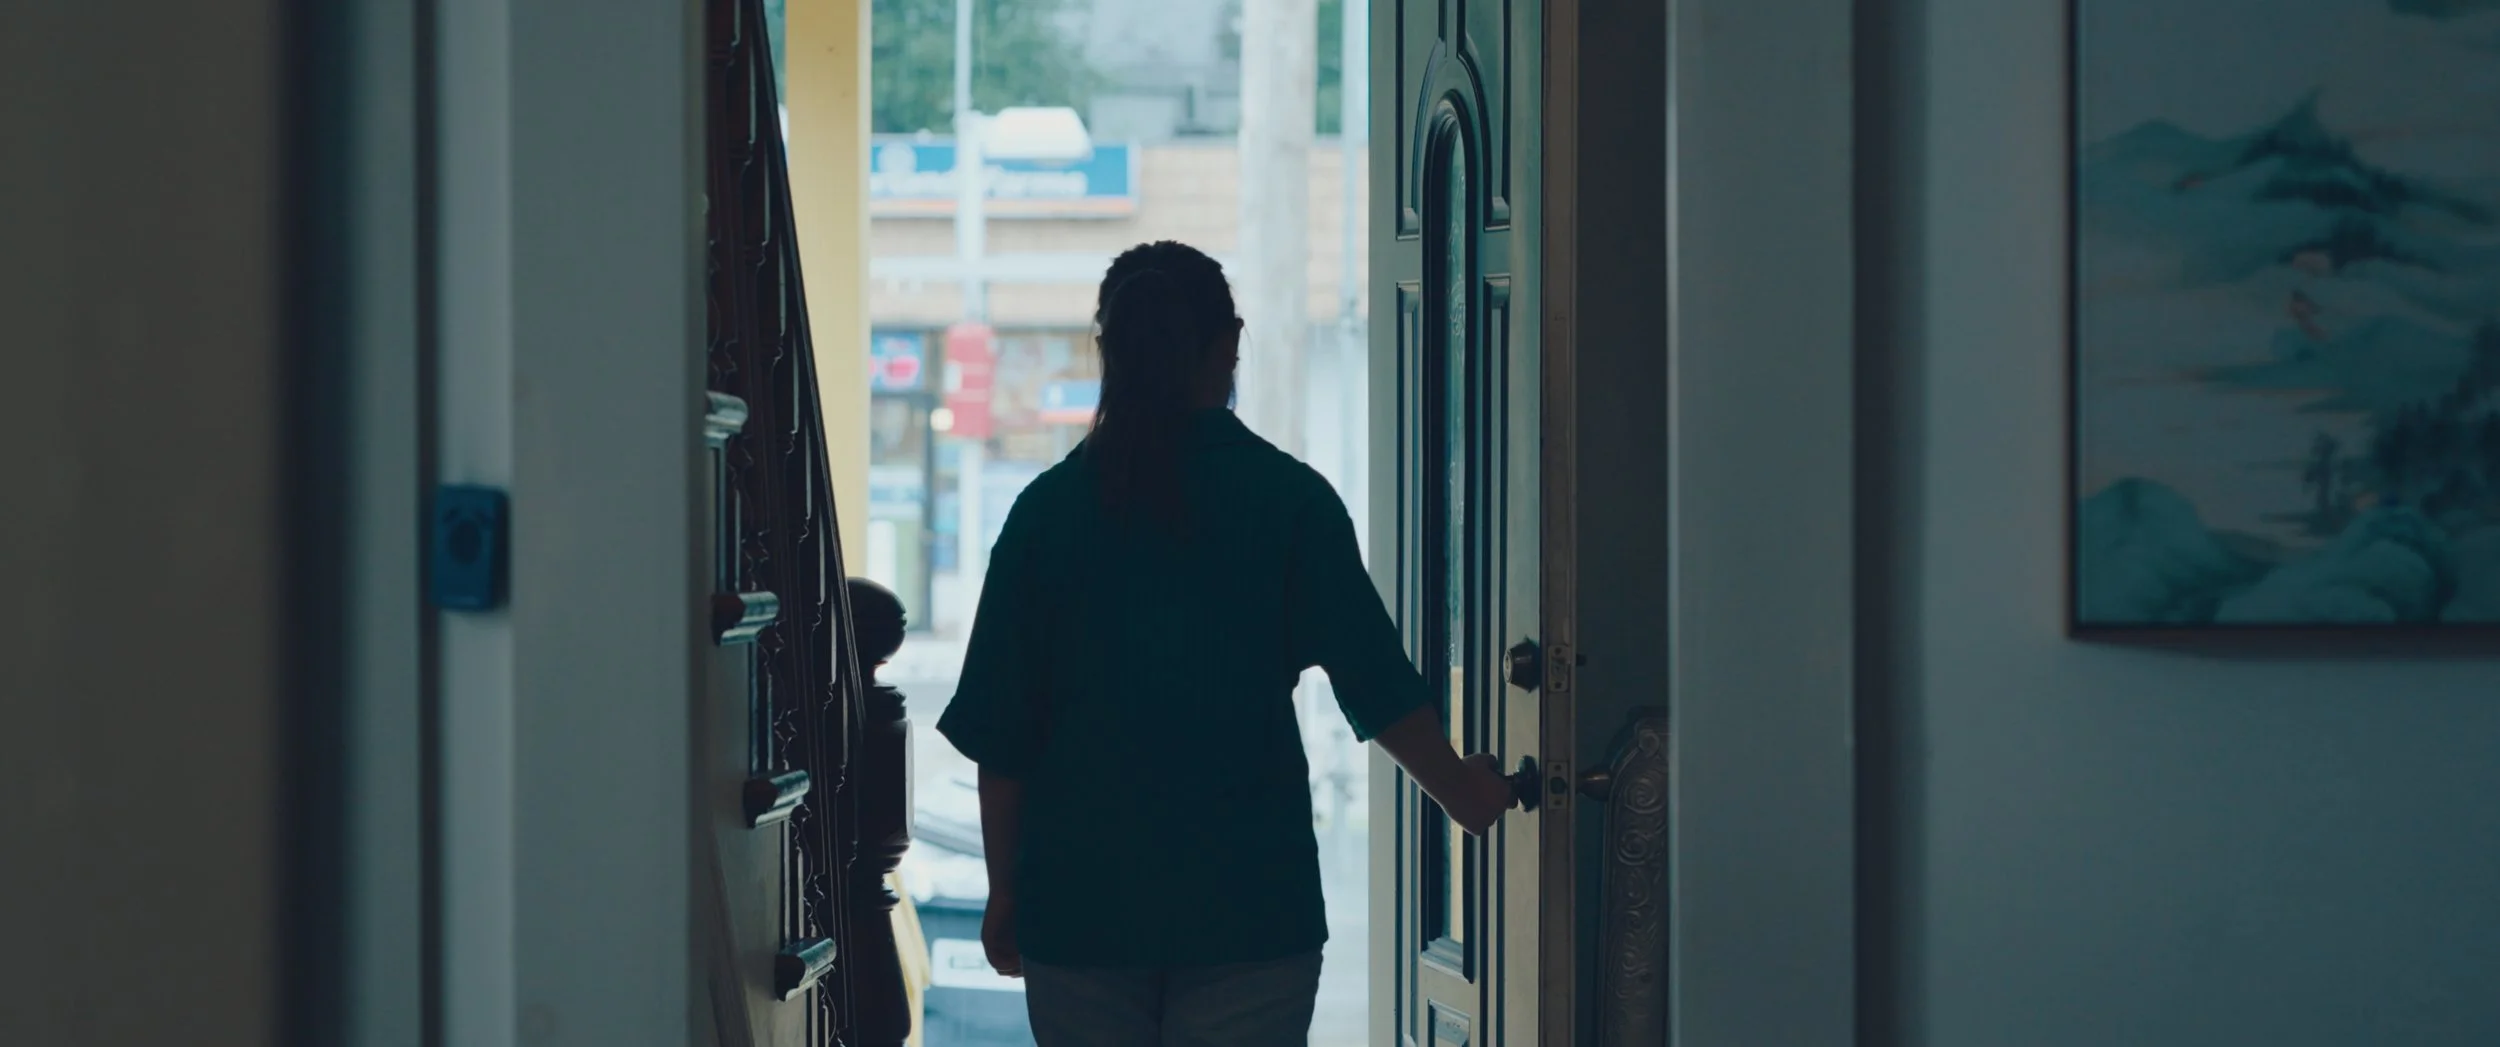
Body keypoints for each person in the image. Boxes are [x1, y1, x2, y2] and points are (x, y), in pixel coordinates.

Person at [935, 240, 1517, 1047]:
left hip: (1082, 912)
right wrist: (1462, 789)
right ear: (1230, 343)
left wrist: (1008, 893)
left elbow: (1002, 743)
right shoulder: (1289, 503)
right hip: (1251, 910)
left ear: (1108, 349)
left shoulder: (1046, 515)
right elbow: (1379, 684)